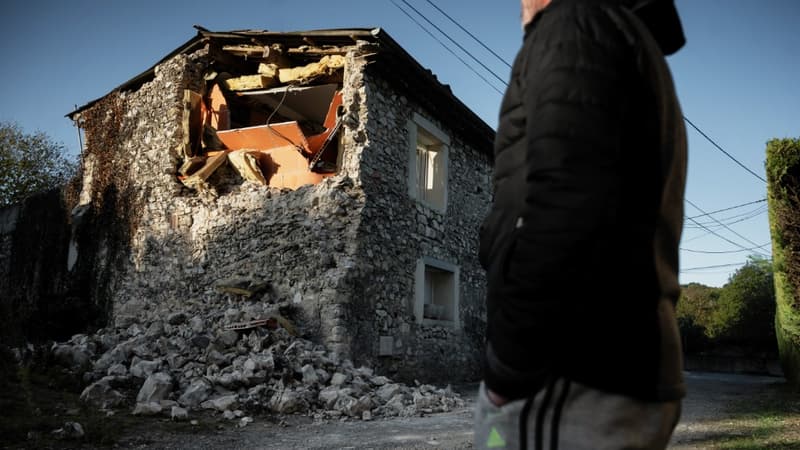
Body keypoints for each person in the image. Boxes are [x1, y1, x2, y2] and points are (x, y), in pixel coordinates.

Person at [474, 0, 687, 449]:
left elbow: (570, 199)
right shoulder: (609, 34)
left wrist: (510, 366)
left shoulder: (577, 26)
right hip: (593, 368)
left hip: (566, 372)